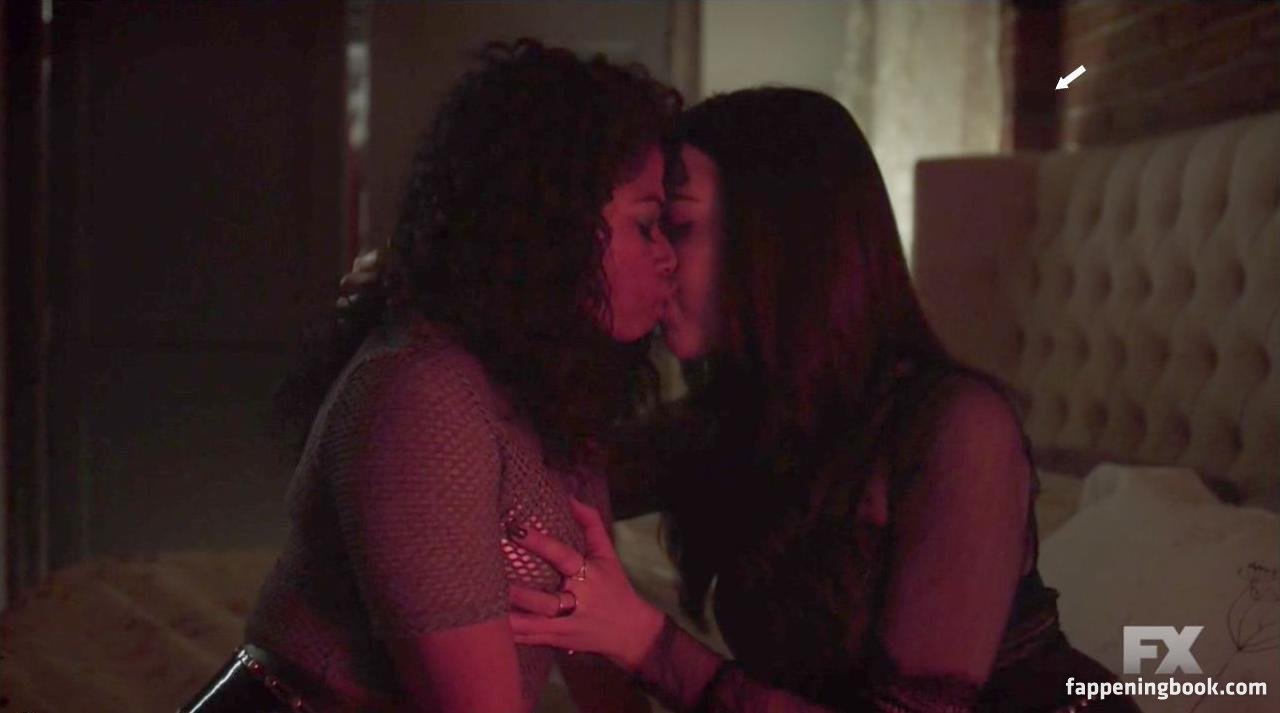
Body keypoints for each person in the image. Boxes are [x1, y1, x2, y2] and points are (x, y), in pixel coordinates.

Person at [504, 88, 1140, 712]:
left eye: (678, 227)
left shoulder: (957, 427)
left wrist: (645, 643)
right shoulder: (734, 419)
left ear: (783, 237)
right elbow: (534, 467)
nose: (656, 258)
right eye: (648, 229)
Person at [178, 39, 680, 713]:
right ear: (554, 227)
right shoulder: (423, 395)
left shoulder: (547, 393)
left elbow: (596, 659)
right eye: (647, 225)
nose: (669, 257)